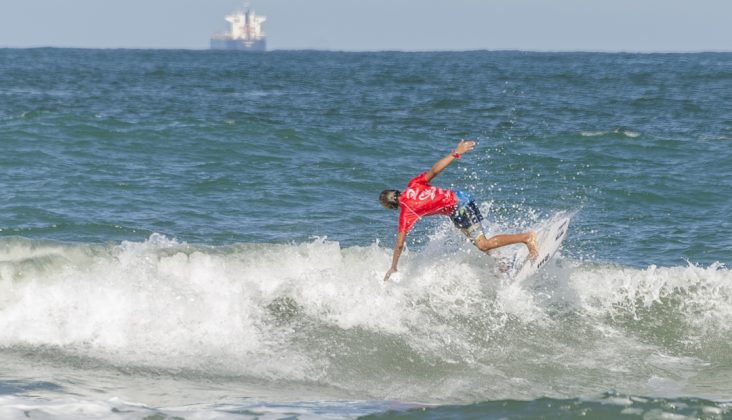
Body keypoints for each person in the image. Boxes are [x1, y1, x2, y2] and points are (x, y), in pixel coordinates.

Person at [380, 139, 538, 281]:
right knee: (477, 242)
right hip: (459, 202)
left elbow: (399, 244)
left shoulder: (406, 213)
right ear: (396, 192)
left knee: (483, 244)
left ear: (391, 206)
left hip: (459, 207)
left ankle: (527, 237)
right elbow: (434, 170)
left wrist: (394, 266)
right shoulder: (413, 184)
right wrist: (455, 153)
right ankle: (503, 264)